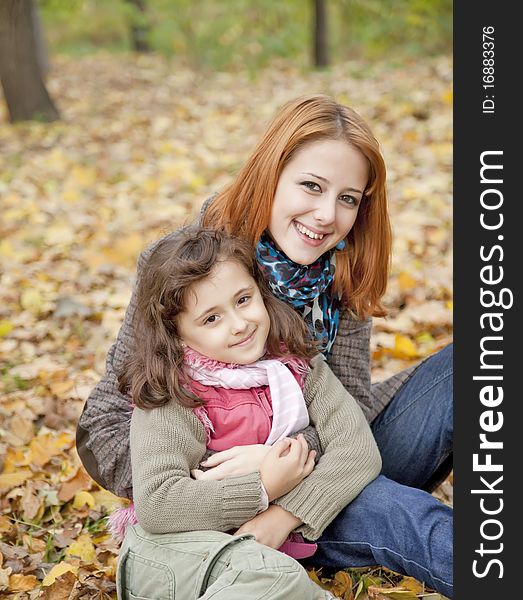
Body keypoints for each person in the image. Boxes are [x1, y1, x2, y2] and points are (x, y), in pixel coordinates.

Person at [77, 94, 453, 598]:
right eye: (311, 186)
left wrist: (281, 463)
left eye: (348, 198)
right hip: (217, 497)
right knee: (409, 520)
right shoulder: (187, 268)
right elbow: (104, 423)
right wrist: (226, 480)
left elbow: (351, 413)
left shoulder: (342, 271)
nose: (325, 215)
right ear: (270, 175)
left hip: (329, 463)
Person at [115, 226, 381, 599]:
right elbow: (159, 503)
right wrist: (263, 486)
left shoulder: (297, 364)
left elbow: (358, 450)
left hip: (268, 548)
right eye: (211, 318)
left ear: (261, 291)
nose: (239, 324)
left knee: (281, 578)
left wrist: (282, 511)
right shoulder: (174, 392)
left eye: (243, 300)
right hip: (184, 556)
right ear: (176, 335)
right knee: (279, 582)